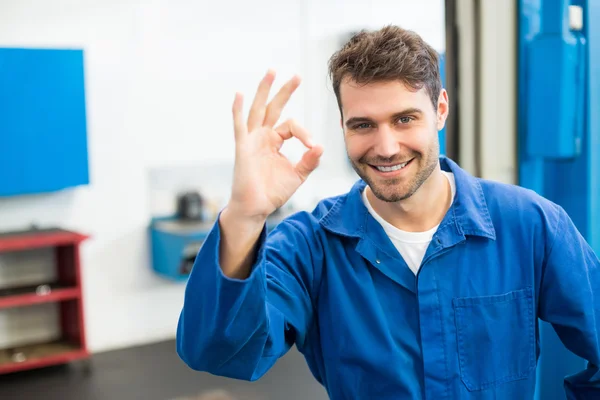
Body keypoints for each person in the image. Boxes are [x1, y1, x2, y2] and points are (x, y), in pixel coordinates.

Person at [176, 25, 600, 399]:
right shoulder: (310, 247)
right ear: (343, 126)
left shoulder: (529, 225)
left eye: (404, 119)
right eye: (363, 125)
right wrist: (245, 217)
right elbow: (219, 352)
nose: (386, 147)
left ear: (440, 110)